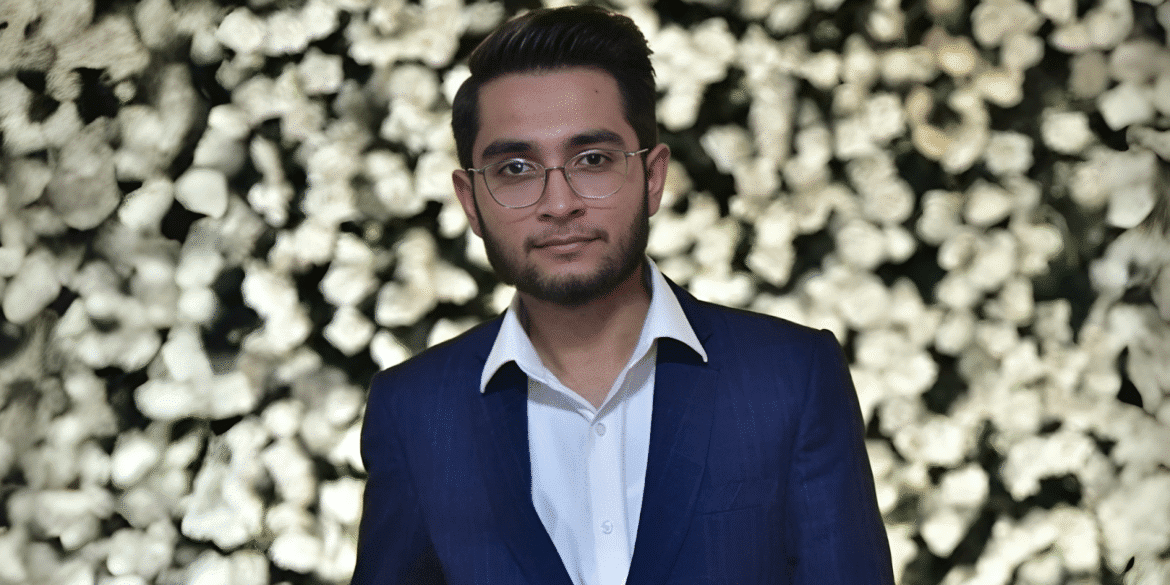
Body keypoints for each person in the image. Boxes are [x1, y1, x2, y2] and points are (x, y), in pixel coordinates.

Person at [351, 5, 894, 584]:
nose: (559, 203)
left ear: (653, 177)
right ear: (470, 200)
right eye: (515, 167)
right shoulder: (415, 412)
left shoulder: (786, 378)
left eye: (592, 160)